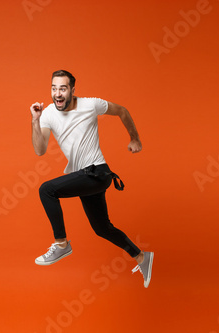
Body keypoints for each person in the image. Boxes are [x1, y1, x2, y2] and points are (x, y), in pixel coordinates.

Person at [30, 70, 154, 288]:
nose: (57, 93)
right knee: (102, 228)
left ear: (72, 90)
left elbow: (122, 111)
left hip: (97, 172)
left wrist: (135, 138)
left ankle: (61, 244)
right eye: (54, 88)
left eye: (63, 88)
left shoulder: (91, 104)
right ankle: (142, 257)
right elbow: (40, 150)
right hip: (83, 177)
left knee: (46, 189)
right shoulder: (48, 113)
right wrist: (35, 121)